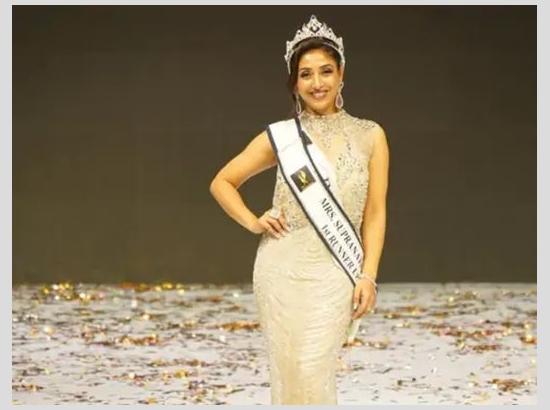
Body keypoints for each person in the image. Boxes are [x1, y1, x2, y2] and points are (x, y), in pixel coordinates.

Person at [209, 15, 389, 405]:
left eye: (326, 71)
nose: (317, 82)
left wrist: (369, 276)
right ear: (294, 83)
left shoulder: (371, 135)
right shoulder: (282, 137)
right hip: (280, 269)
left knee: (313, 369)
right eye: (305, 74)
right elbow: (222, 182)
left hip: (336, 271)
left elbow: (375, 213)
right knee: (289, 371)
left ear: (341, 75)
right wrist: (253, 221)